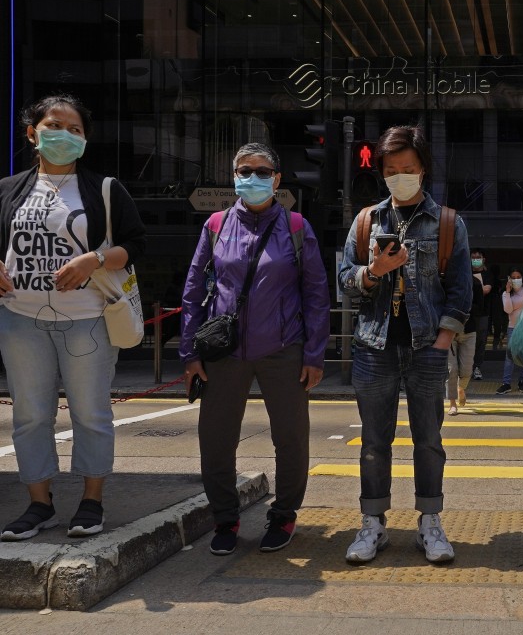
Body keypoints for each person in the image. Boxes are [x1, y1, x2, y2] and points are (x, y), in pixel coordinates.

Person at [0, 94, 146, 541]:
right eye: (53, 125)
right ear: (32, 133)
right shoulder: (8, 189)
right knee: (29, 415)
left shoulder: (103, 188)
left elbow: (136, 242)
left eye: (75, 129)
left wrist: (95, 260)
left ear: (85, 138)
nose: (64, 135)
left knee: (90, 414)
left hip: (87, 319)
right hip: (20, 319)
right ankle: (39, 505)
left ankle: (91, 501)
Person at [179, 142, 330, 556]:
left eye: (263, 171)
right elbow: (193, 291)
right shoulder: (215, 225)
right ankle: (225, 520)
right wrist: (190, 353)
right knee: (216, 439)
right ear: (234, 177)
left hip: (284, 349)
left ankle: (284, 514)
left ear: (277, 180)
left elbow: (316, 294)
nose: (254, 178)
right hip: (224, 351)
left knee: (291, 438)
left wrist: (314, 355)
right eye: (246, 170)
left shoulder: (297, 227)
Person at [337, 125, 472, 564]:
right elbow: (345, 281)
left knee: (428, 441)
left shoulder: (448, 222)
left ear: (423, 169)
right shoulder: (366, 222)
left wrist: (442, 341)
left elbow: (461, 289)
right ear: (381, 172)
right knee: (375, 443)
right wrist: (374, 271)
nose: (399, 177)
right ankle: (372, 524)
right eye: (391, 170)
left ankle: (429, 521)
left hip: (426, 349)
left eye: (407, 169)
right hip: (374, 348)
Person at [448, 254, 485, 415]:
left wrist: (464, 310)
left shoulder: (475, 283)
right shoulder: (447, 283)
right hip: (449, 330)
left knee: (467, 369)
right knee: (451, 370)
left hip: (469, 330)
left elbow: (480, 308)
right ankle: (452, 403)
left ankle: (460, 388)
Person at [495, 270, 523, 394]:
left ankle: (522, 381)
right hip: (512, 327)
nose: (516, 279)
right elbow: (508, 310)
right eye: (513, 277)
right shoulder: (506, 294)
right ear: (509, 279)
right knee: (510, 357)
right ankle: (506, 383)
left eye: (518, 277)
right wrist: (508, 293)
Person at [469, 249, 493, 380]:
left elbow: (486, 290)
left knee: (480, 341)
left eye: (478, 257)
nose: (475, 259)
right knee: (465, 340)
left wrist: (471, 290)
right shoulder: (465, 273)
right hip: (466, 313)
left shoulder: (487, 274)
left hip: (482, 313)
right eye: (473, 257)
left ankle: (477, 366)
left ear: (484, 259)